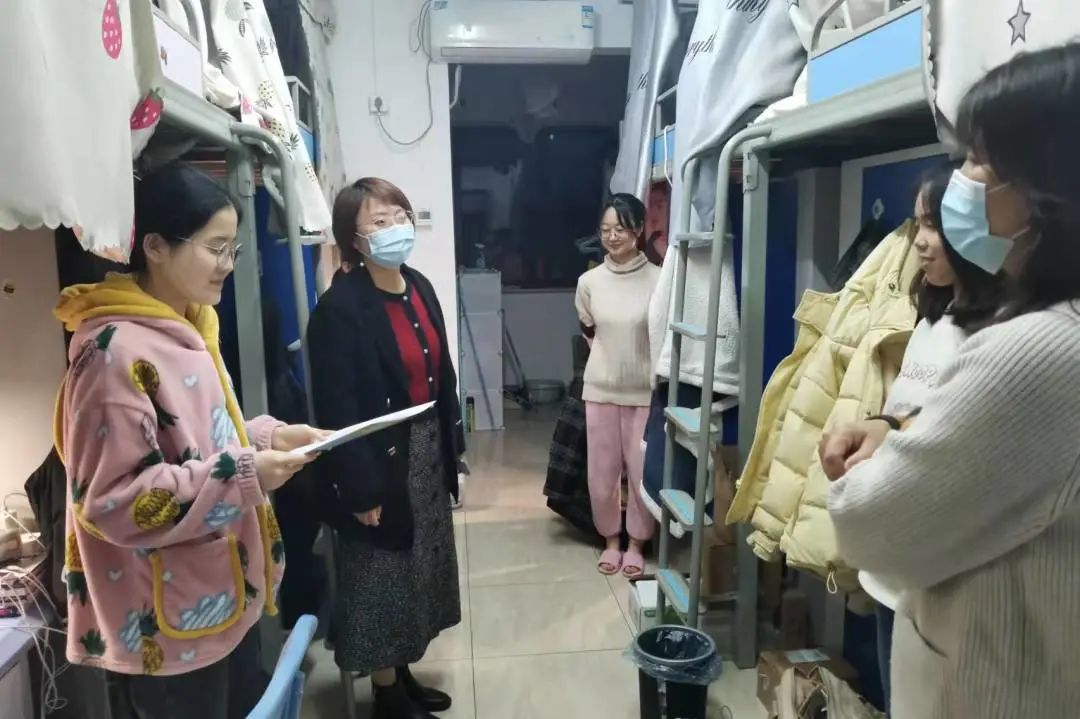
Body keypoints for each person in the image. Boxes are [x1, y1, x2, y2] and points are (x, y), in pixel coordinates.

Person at [821, 44, 1080, 718]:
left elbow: (871, 524)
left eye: (977, 160)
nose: (960, 179)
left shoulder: (1037, 350)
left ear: (1043, 189)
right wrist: (895, 429)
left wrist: (864, 474)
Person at [53, 164, 327, 718]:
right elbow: (114, 500)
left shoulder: (188, 325)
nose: (228, 264)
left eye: (234, 249)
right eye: (215, 248)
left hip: (216, 598)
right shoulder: (113, 354)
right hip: (164, 629)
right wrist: (247, 474)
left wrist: (269, 437)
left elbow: (198, 443)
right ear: (155, 246)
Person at [307, 178, 465, 719]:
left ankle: (402, 673)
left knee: (416, 568)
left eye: (400, 215)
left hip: (425, 448)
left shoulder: (417, 285)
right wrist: (360, 488)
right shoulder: (340, 307)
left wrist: (452, 446)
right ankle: (386, 694)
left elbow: (441, 372)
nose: (396, 227)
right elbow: (339, 405)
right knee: (381, 575)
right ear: (353, 238)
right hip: (378, 458)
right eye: (379, 221)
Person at [859, 161, 1002, 709]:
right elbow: (910, 410)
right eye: (917, 224)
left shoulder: (998, 333)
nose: (919, 241)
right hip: (893, 558)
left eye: (935, 226)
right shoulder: (932, 318)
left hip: (937, 571)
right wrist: (879, 426)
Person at [575, 193, 661, 578]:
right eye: (606, 230)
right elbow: (588, 329)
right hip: (600, 389)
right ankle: (611, 540)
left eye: (621, 229)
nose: (612, 237)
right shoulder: (589, 282)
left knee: (641, 472)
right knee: (601, 473)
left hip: (644, 391)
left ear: (639, 230)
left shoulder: (660, 280)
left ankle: (638, 543)